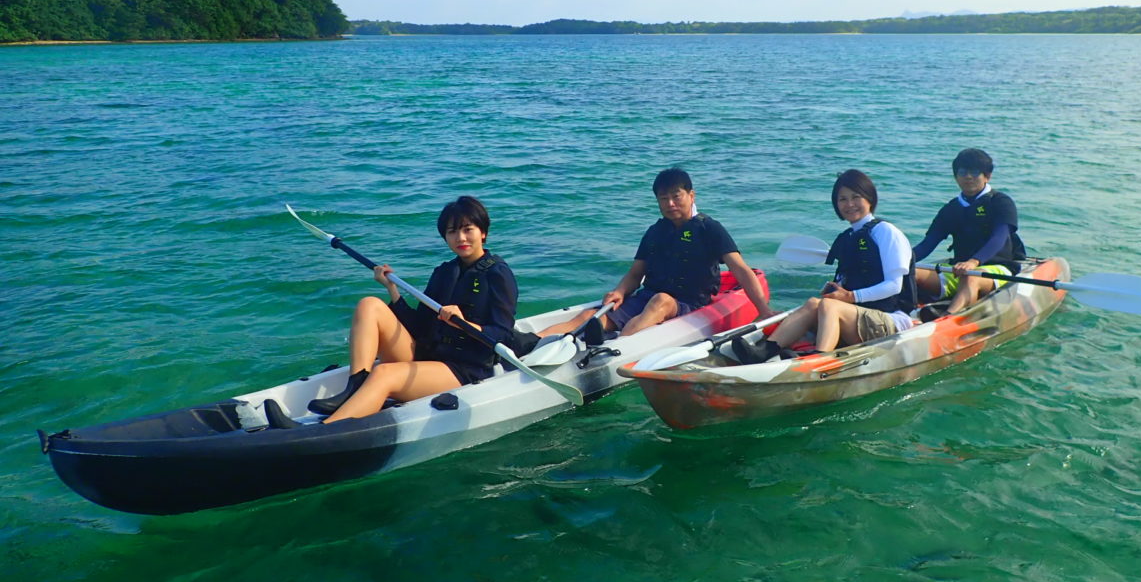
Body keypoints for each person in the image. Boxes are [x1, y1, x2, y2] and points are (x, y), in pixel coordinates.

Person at [264, 196, 517, 428]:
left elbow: (502, 335)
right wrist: (392, 290)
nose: (461, 238)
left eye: (467, 230)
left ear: (483, 233)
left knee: (384, 373)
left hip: (464, 369)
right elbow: (419, 326)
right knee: (369, 304)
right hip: (428, 355)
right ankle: (357, 385)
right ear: (445, 237)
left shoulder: (498, 274)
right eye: (452, 232)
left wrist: (464, 324)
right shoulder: (444, 272)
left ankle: (322, 431)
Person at [539, 168, 771, 339]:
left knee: (661, 301)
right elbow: (635, 273)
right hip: (645, 297)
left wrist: (764, 311)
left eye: (676, 196)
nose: (670, 203)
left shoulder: (709, 228)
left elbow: (740, 270)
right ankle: (530, 342)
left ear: (692, 195)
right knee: (590, 316)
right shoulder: (655, 231)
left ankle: (618, 345)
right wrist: (619, 291)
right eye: (663, 198)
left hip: (688, 304)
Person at [734, 169, 917, 362]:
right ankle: (766, 350)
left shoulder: (886, 232)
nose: (850, 204)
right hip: (857, 317)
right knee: (814, 303)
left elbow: (894, 285)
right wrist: (836, 289)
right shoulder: (847, 237)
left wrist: (850, 296)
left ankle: (820, 359)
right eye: (842, 199)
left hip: (891, 320)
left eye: (856, 197)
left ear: (870, 198)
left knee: (830, 306)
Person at [911, 148, 1025, 319]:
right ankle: (905, 314)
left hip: (998, 269)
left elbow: (999, 237)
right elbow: (929, 243)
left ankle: (947, 318)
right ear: (956, 176)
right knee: (911, 272)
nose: (968, 177)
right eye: (962, 172)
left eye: (974, 172)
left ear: (987, 175)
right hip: (958, 269)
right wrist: (903, 261)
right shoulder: (951, 208)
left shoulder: (1000, 202)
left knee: (970, 278)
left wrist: (974, 262)